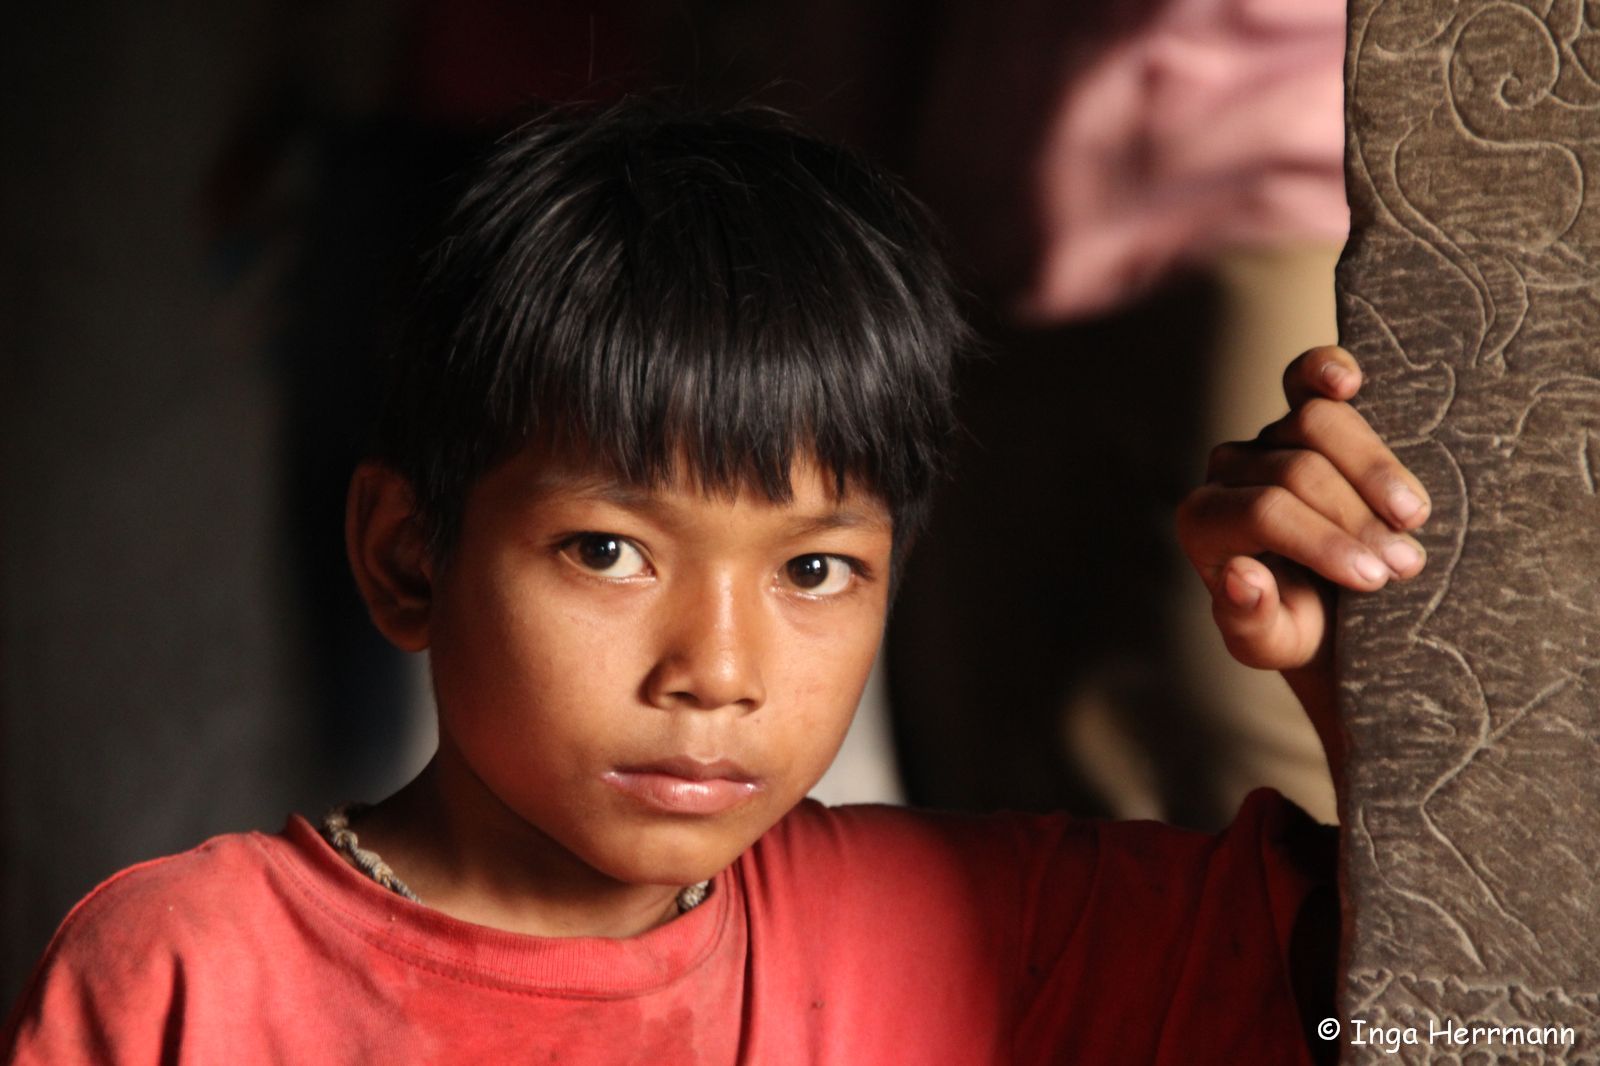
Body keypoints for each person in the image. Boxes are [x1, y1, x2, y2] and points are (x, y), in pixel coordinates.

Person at [1, 100, 1428, 1064]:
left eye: (814, 566)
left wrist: (1378, 698)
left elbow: (1470, 1012)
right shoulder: (192, 975)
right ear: (407, 554)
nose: (719, 666)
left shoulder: (980, 931)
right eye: (608, 550)